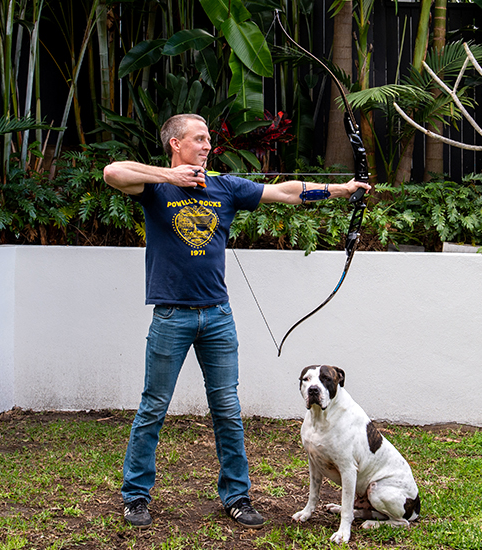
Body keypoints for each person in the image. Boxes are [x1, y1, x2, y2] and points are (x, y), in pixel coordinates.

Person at [103, 113, 370, 529]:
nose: (208, 145)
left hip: (217, 316)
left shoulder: (224, 187)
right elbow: (112, 171)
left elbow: (285, 191)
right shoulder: (154, 187)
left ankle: (237, 496)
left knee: (226, 408)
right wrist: (172, 178)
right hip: (171, 315)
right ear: (176, 143)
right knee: (153, 407)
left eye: (209, 139)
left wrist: (341, 189)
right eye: (199, 138)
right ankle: (136, 497)